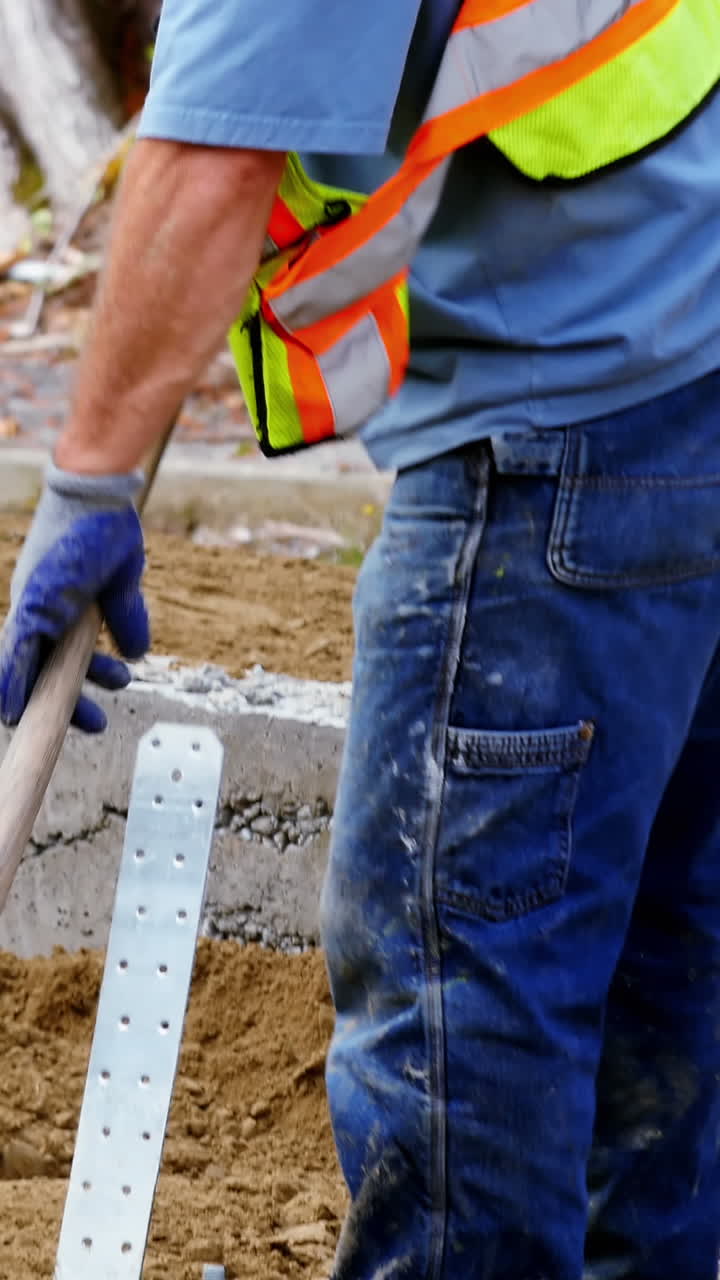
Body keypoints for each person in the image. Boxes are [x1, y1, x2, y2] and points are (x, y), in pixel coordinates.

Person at [2, 1, 720, 1274]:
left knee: (461, 1022)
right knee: (661, 1012)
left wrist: (89, 489)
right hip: (686, 357)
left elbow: (211, 166)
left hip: (554, 432)